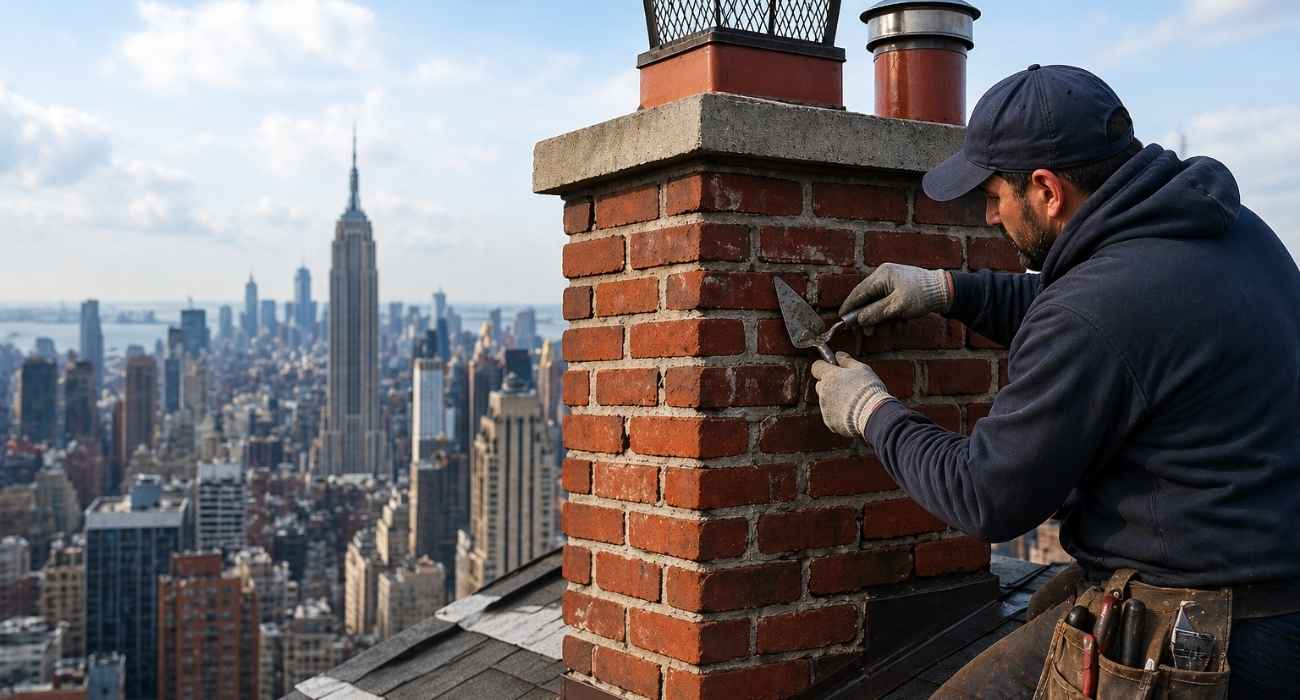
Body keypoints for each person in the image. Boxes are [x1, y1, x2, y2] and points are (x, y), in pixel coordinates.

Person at [810, 64, 1300, 698]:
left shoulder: (1096, 308)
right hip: (1274, 592)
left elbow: (986, 495)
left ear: (1046, 189)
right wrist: (948, 290)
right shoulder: (1231, 230)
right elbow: (1111, 327)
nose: (988, 218)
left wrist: (871, 411)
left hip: (1205, 632)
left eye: (993, 197)